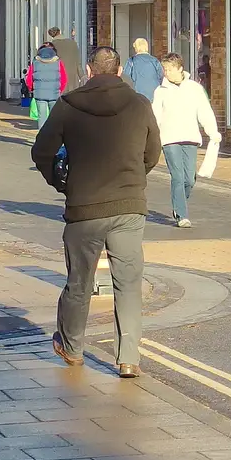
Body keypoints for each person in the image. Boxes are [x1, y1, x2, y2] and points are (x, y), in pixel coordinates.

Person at [31, 46, 161, 379]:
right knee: (128, 284)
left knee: (80, 281)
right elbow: (152, 153)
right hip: (129, 207)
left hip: (84, 207)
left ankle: (72, 348)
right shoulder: (139, 104)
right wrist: (132, 179)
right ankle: (128, 358)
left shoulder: (68, 105)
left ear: (89, 71)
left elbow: (41, 151)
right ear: (120, 71)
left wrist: (61, 182)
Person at [152, 53, 221, 228]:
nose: (166, 73)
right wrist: (153, 137)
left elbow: (204, 111)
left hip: (190, 137)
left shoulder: (194, 88)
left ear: (180, 68)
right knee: (177, 176)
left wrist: (212, 132)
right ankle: (181, 214)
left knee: (189, 179)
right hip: (169, 139)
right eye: (164, 69)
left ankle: (179, 203)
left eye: (169, 69)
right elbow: (155, 116)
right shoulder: (160, 91)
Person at [23, 38, 67, 124]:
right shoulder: (58, 62)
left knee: (42, 118)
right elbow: (64, 79)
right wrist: (59, 90)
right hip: (54, 94)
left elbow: (29, 80)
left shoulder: (36, 61)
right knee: (55, 118)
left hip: (40, 94)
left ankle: (42, 137)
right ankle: (54, 137)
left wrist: (32, 89)